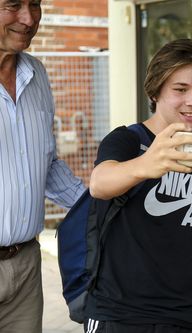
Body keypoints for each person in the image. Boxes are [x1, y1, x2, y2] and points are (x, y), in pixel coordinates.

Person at [84, 39, 192, 333]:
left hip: (184, 316)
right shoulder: (128, 140)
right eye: (180, 89)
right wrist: (146, 164)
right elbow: (99, 183)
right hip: (119, 314)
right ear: (155, 90)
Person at [0, 1, 85, 332]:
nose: (28, 18)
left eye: (34, 4)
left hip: (25, 268)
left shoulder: (36, 74)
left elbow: (45, 164)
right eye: (13, 5)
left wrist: (99, 206)